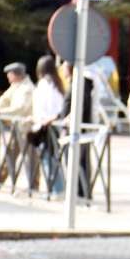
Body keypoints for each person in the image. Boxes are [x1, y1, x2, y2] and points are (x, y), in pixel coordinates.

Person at [59, 59, 95, 199]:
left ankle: (82, 191)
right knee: (73, 161)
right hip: (73, 128)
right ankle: (77, 190)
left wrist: (71, 117)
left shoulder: (81, 84)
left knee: (79, 161)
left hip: (79, 129)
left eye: (64, 67)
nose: (62, 70)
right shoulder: (74, 83)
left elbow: (81, 104)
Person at [30, 55, 65, 196]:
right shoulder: (56, 83)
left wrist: (41, 119)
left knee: (48, 158)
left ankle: (57, 189)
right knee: (51, 157)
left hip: (46, 124)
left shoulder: (45, 84)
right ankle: (57, 188)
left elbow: (44, 107)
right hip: (52, 124)